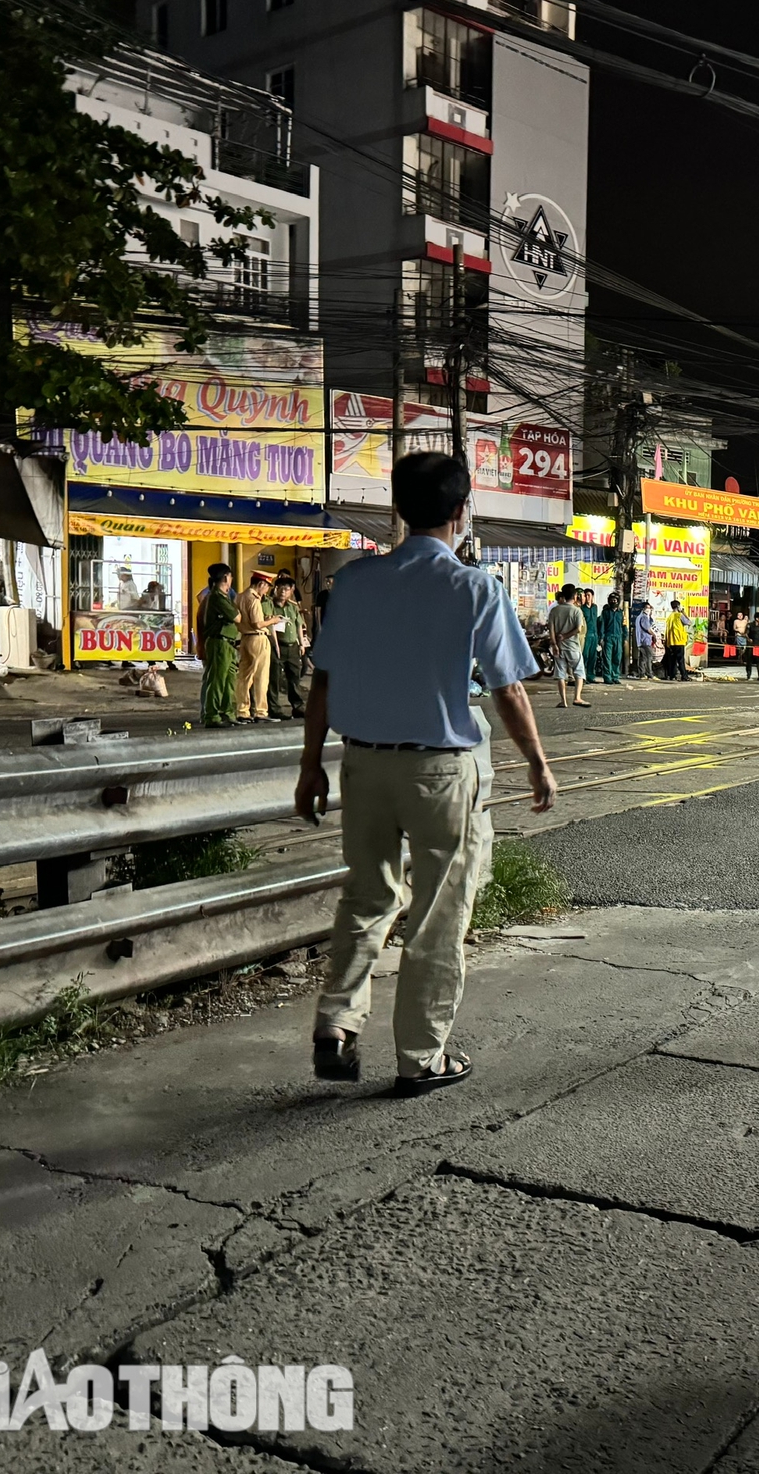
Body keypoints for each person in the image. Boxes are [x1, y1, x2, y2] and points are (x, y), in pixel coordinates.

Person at [294, 451, 554, 1097]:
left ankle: (336, 1023)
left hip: (363, 763)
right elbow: (509, 690)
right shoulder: (474, 588)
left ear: (397, 510)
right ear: (462, 511)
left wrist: (309, 769)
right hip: (441, 772)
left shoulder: (354, 582)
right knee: (438, 916)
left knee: (367, 896)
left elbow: (322, 680)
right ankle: (421, 1057)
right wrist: (538, 765)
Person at [196, 563, 239, 729]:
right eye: (230, 577)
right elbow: (237, 617)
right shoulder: (216, 597)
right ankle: (211, 715)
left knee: (228, 680)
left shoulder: (222, 596)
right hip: (219, 642)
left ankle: (226, 712)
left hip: (227, 642)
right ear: (226, 578)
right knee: (216, 680)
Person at [234, 570, 276, 722]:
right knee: (260, 677)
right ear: (261, 584)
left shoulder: (240, 597)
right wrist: (272, 621)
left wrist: (265, 619)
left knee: (244, 677)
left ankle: (242, 711)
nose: (266, 591)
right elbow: (257, 624)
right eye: (266, 587)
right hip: (257, 639)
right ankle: (260, 711)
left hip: (245, 638)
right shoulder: (254, 599)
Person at [270, 574, 309, 721]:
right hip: (277, 646)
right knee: (274, 678)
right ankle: (274, 708)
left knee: (294, 678)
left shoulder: (292, 607)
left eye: (286, 589)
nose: (283, 592)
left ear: (291, 591)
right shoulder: (270, 605)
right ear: (275, 589)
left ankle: (297, 707)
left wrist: (301, 643)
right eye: (280, 588)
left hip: (293, 647)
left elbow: (299, 625)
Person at [546, 584, 589, 707]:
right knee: (579, 672)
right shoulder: (576, 611)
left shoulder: (555, 610)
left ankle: (563, 701)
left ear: (563, 595)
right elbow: (578, 629)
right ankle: (577, 697)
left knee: (560, 674)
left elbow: (551, 630)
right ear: (575, 596)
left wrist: (554, 644)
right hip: (573, 646)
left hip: (559, 647)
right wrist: (565, 636)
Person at [598, 592, 626, 685]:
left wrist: (625, 638)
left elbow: (624, 626)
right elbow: (602, 625)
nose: (613, 601)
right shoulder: (605, 612)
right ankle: (607, 677)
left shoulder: (621, 613)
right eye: (611, 600)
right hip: (608, 638)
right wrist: (601, 638)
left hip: (618, 638)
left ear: (618, 601)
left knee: (617, 658)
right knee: (607, 658)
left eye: (615, 600)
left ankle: (615, 676)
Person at [662, 599, 690, 680]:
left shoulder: (669, 617)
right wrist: (683, 612)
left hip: (671, 642)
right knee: (681, 660)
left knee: (672, 660)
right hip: (679, 641)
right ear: (678, 606)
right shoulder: (679, 615)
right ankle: (684, 676)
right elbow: (689, 622)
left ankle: (672, 676)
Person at [579, 589, 601, 685]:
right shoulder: (582, 608)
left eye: (588, 595)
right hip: (586, 635)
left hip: (594, 635)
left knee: (593, 656)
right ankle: (583, 676)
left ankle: (591, 676)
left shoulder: (595, 607)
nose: (587, 598)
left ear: (592, 596)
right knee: (585, 656)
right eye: (585, 595)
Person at [631, 599, 656, 680]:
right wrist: (654, 635)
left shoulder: (639, 617)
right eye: (647, 608)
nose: (649, 609)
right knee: (649, 657)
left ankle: (642, 674)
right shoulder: (644, 617)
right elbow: (648, 629)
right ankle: (650, 674)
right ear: (643, 608)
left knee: (642, 658)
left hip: (640, 641)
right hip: (645, 640)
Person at [744, 609, 759, 681]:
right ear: (757, 618)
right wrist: (749, 639)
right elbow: (746, 634)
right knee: (749, 660)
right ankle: (748, 675)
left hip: (758, 645)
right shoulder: (750, 625)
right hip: (751, 645)